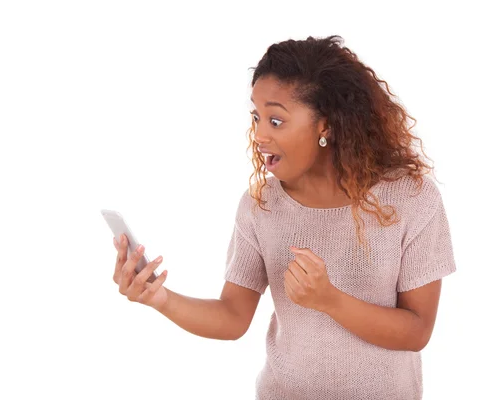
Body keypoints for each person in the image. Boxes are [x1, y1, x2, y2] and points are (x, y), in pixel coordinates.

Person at [111, 35, 457, 400]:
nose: (259, 135)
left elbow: (417, 331)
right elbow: (232, 316)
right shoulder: (261, 206)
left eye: (276, 120)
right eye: (257, 117)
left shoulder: (410, 198)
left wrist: (330, 300)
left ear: (326, 125)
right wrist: (160, 298)